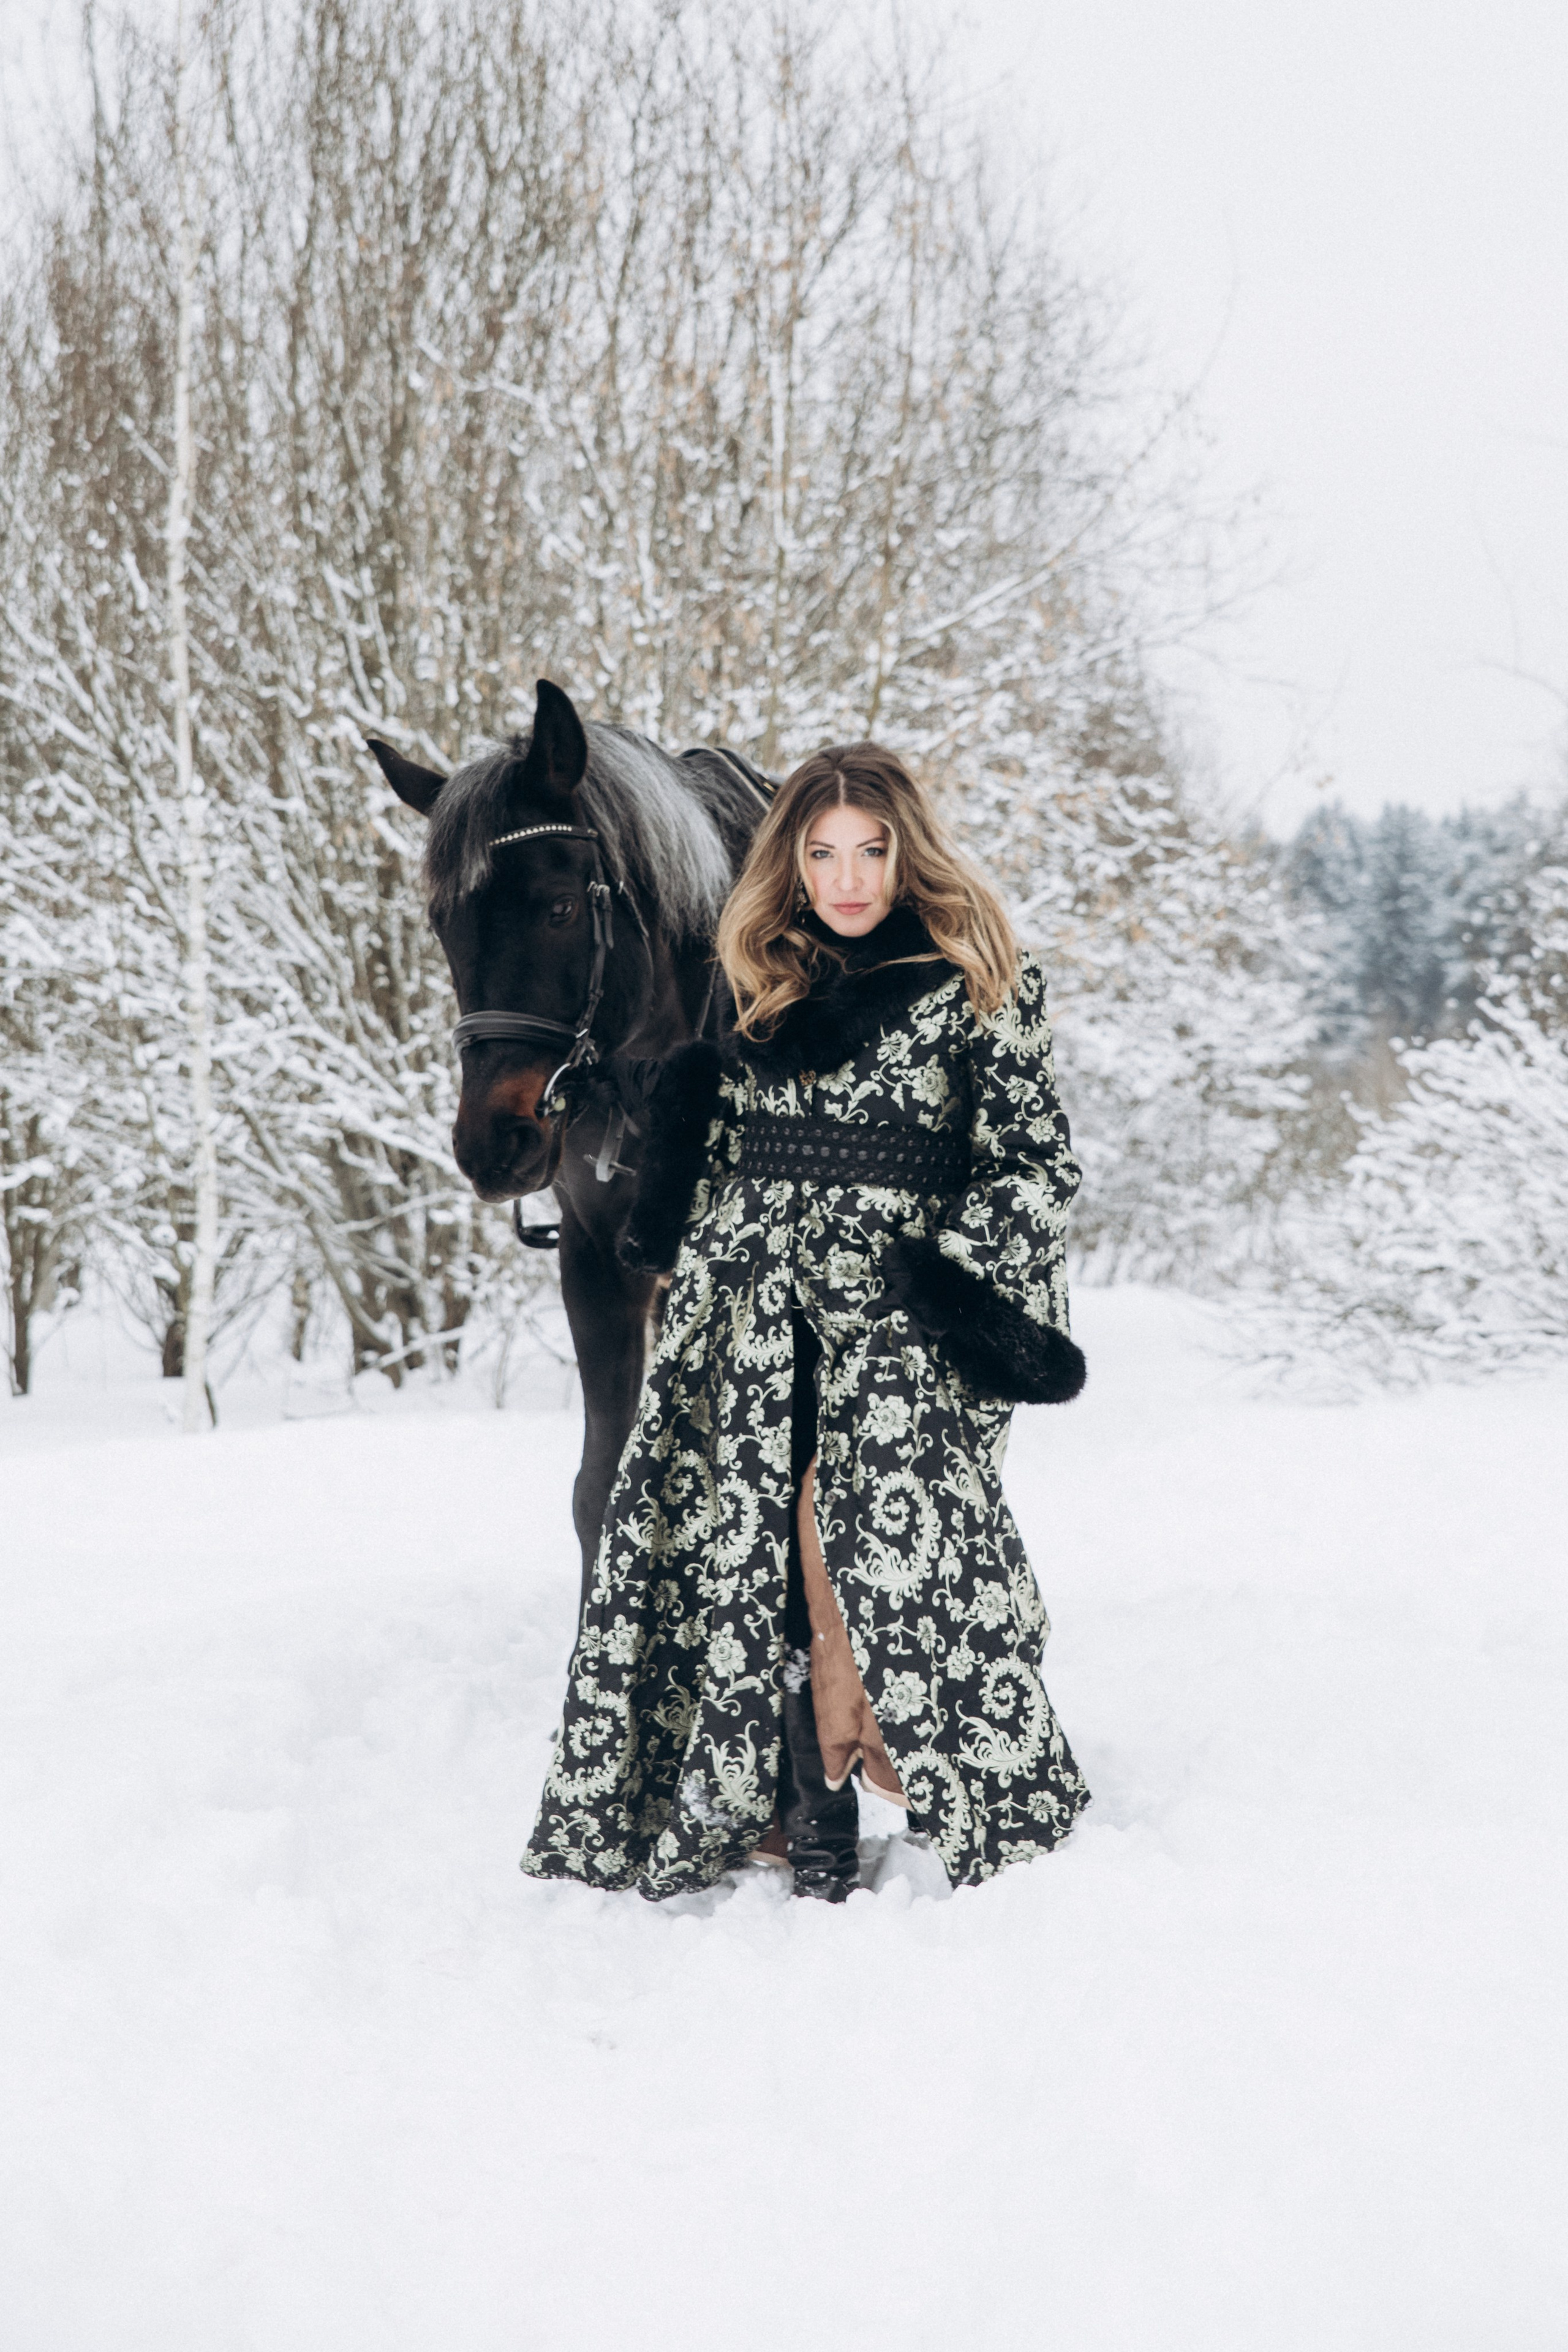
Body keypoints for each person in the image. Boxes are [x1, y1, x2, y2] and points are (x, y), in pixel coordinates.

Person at [521, 742, 1090, 1902]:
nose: (847, 877)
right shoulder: (756, 974)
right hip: (751, 1288)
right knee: (750, 1538)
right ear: (791, 858)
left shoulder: (977, 977)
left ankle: (934, 1772)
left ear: (905, 851)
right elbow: (720, 1137)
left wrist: (957, 1291)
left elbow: (1031, 1163)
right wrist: (671, 1185)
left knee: (855, 1523)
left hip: (900, 1300)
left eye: (871, 851)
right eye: (823, 852)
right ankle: (806, 1812)